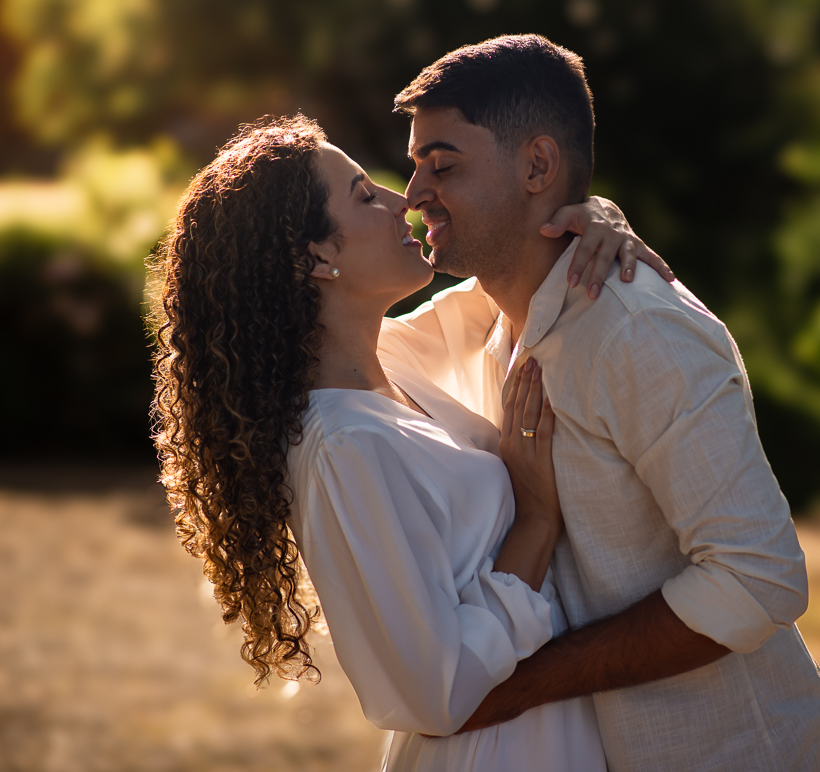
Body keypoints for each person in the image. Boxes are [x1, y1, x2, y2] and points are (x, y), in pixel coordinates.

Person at [384, 34, 820, 771]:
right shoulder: (484, 318)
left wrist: (529, 684)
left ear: (538, 166)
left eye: (443, 165)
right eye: (415, 166)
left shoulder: (640, 333)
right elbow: (344, 341)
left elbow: (759, 575)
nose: (415, 193)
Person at [149, 114, 671, 772]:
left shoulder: (390, 361)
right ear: (316, 256)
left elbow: (518, 281)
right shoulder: (343, 449)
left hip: (553, 734)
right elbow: (434, 690)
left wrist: (595, 218)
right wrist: (536, 521)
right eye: (365, 195)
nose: (404, 201)